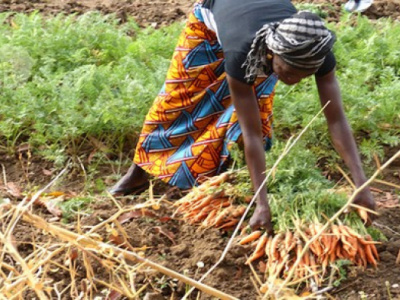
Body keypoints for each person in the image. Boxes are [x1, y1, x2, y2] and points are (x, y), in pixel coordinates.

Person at [109, 0, 375, 234]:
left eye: (302, 76)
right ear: (272, 53)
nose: (292, 82)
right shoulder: (244, 51)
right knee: (175, 103)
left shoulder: (317, 51)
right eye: (287, 72)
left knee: (245, 116)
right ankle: (139, 171)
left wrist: (362, 184)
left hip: (258, 31)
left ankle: (217, 178)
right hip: (212, 21)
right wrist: (264, 204)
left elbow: (336, 119)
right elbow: (253, 135)